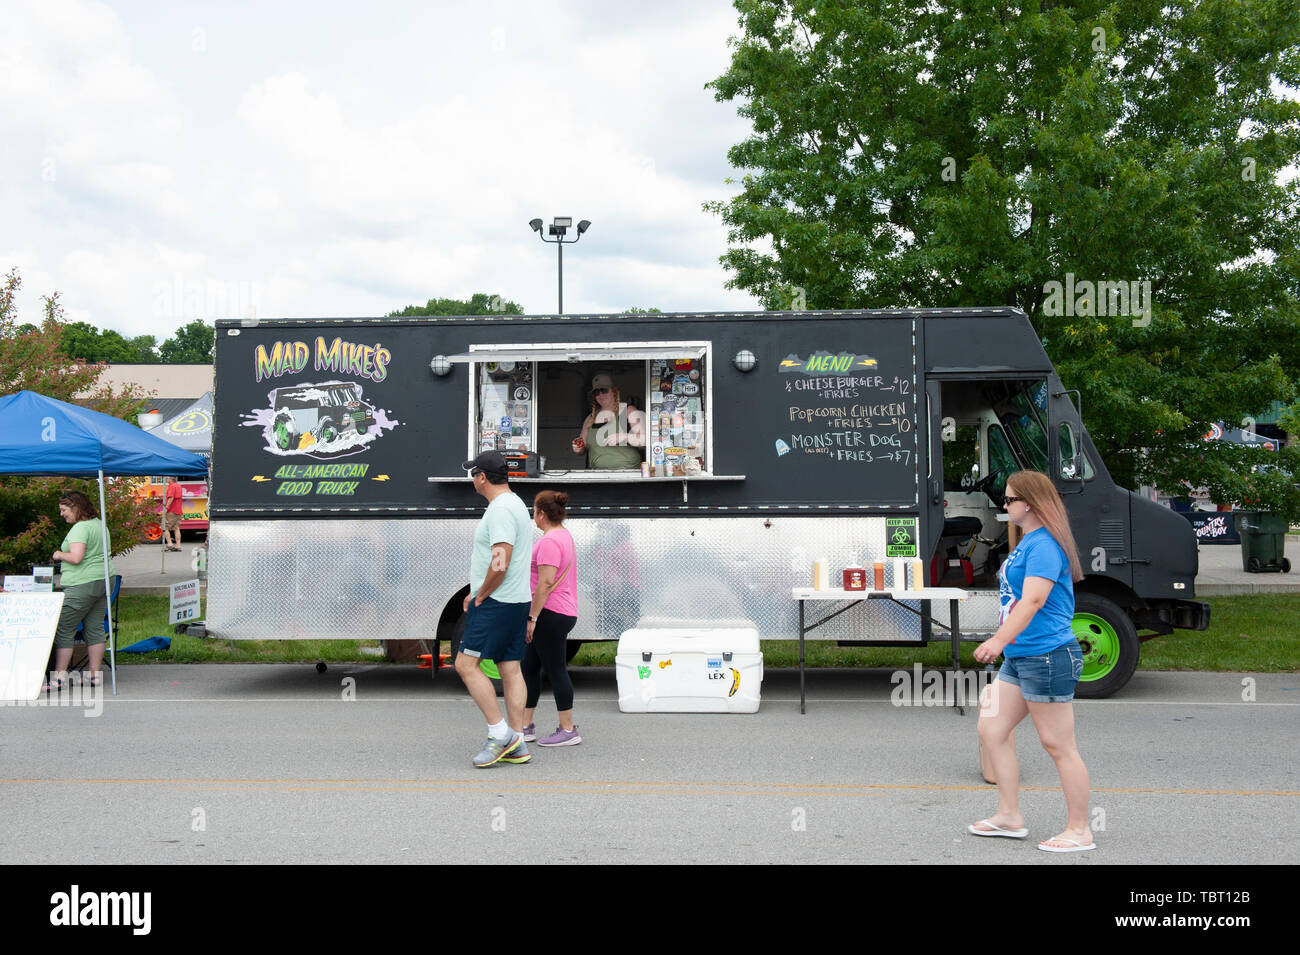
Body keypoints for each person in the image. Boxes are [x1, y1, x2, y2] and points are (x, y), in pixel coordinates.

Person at [970, 470, 1093, 852]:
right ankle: (1009, 816)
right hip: (1022, 656)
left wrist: (998, 640)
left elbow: (1034, 600)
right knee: (992, 729)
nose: (1004, 506)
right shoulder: (1028, 542)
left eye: (1009, 500)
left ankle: (1080, 830)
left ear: (1030, 503)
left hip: (1048, 655)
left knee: (1058, 745)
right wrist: (1009, 645)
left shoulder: (1044, 546)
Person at [456, 451, 536, 767]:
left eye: (472, 473)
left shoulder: (500, 510)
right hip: (516, 600)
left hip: (497, 601)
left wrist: (480, 596)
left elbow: (500, 561)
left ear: (482, 477)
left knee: (465, 665)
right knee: (510, 667)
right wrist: (477, 591)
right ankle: (516, 742)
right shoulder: (516, 503)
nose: (472, 479)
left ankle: (500, 733)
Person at [521, 490, 581, 747]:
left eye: (533, 511)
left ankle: (568, 729)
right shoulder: (564, 535)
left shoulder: (548, 541)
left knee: (556, 670)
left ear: (542, 514)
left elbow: (545, 583)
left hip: (550, 613)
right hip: (560, 611)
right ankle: (525, 726)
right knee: (530, 668)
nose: (533, 516)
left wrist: (532, 617)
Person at [48, 490, 115, 689]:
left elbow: (76, 557)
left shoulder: (79, 529)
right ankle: (94, 675)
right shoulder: (99, 524)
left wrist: (59, 554)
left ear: (76, 508)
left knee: (63, 627)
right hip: (104, 580)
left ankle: (58, 678)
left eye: (64, 510)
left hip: (81, 584)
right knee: (94, 627)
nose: (62, 514)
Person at [571, 372, 645, 470]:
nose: (600, 395)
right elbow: (582, 447)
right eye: (596, 392)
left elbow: (645, 441)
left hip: (628, 474)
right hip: (598, 476)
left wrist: (625, 437)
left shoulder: (628, 411)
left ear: (614, 391)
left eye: (604, 390)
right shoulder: (590, 418)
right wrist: (577, 448)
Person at [162, 477, 183, 552]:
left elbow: (171, 498)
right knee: (176, 528)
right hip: (178, 510)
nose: (166, 479)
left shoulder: (172, 486)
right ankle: (178, 545)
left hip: (172, 510)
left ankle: (170, 544)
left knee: (165, 527)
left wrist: (166, 508)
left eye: (167, 478)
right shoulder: (178, 486)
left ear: (171, 479)